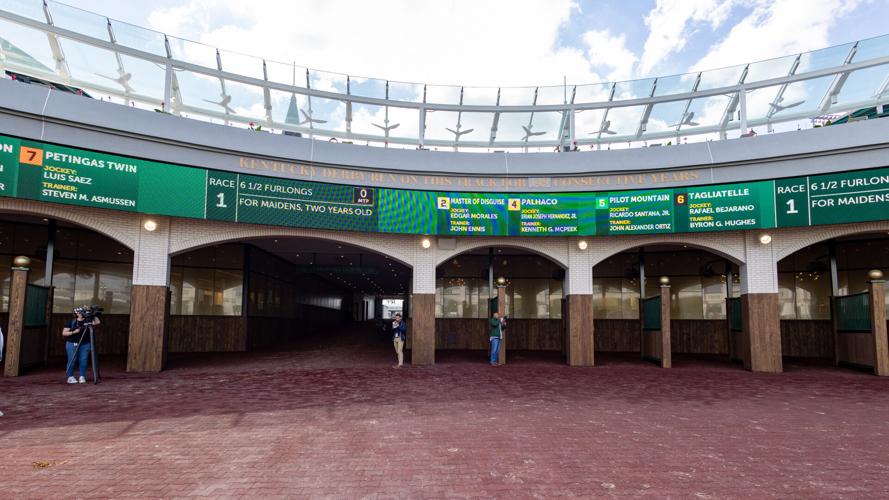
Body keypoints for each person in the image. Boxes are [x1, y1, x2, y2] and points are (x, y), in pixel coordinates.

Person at [62, 306, 101, 384]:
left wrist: (93, 314)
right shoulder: (71, 322)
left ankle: (82, 376)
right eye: (79, 312)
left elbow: (97, 322)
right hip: (72, 343)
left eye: (82, 312)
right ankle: (70, 377)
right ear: (76, 313)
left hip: (85, 344)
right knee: (72, 360)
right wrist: (74, 332)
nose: (80, 314)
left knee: (83, 360)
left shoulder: (88, 321)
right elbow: (64, 333)